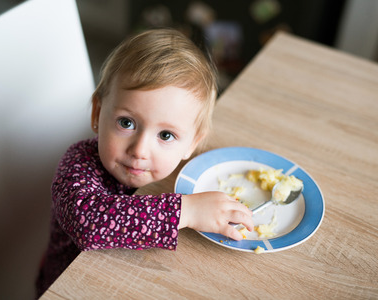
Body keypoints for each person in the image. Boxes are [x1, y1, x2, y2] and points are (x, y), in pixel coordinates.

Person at [36, 28, 253, 297]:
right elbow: (89, 223)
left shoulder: (181, 168)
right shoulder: (78, 163)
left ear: (192, 143)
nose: (139, 150)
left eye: (166, 135)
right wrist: (188, 211)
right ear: (97, 112)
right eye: (126, 123)